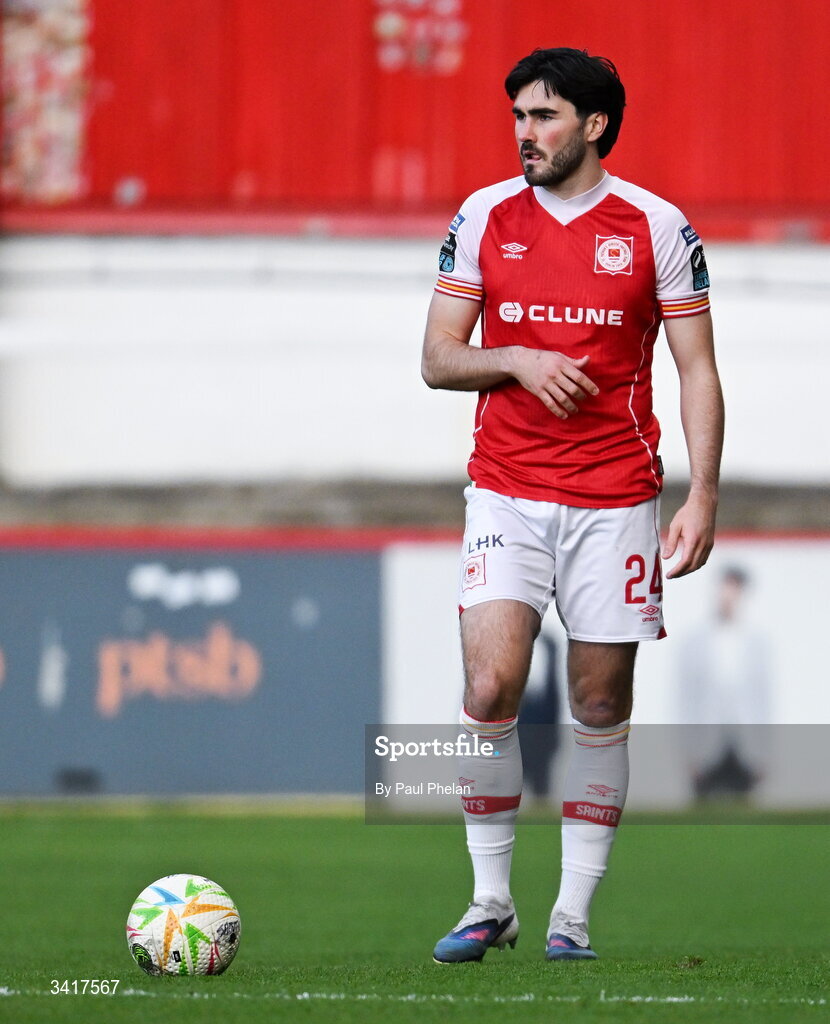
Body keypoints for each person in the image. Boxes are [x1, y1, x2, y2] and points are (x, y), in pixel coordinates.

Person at [421, 47, 724, 963]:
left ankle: (571, 919)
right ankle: (489, 901)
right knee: (489, 687)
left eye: (543, 117)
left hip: (615, 500)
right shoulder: (484, 217)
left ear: (594, 124)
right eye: (518, 117)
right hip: (508, 490)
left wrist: (702, 494)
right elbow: (438, 357)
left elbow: (697, 368)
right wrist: (516, 358)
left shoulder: (656, 227)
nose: (525, 133)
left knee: (598, 702)